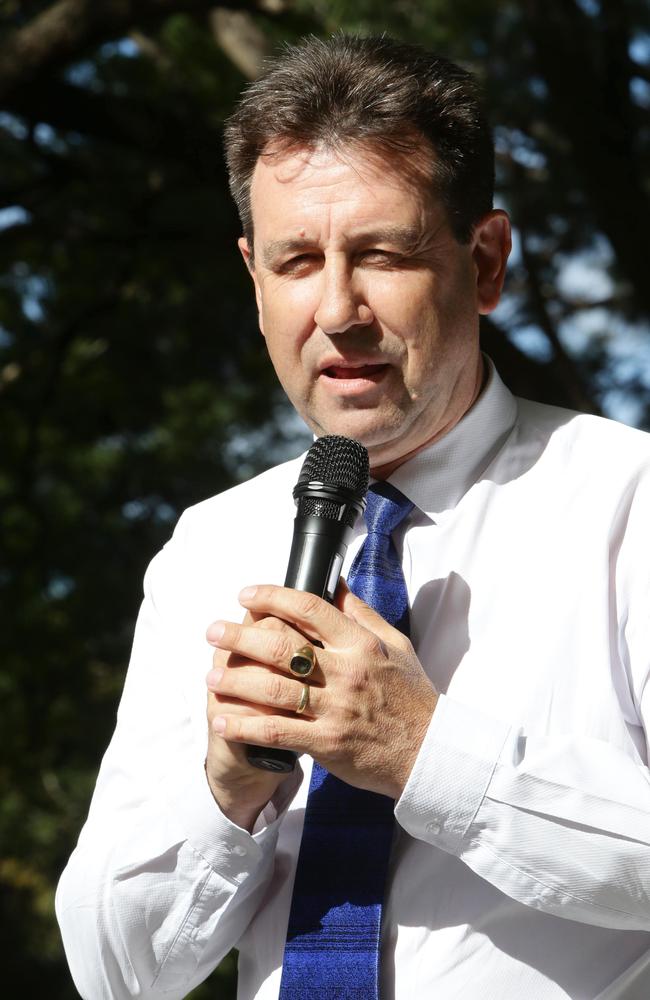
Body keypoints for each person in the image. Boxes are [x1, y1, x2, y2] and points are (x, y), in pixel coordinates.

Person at [56, 33, 650, 1000]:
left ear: (486, 261)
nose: (338, 309)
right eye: (297, 261)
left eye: (382, 254)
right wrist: (226, 791)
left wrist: (424, 752)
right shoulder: (207, 546)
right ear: (254, 281)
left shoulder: (630, 501)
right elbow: (114, 973)